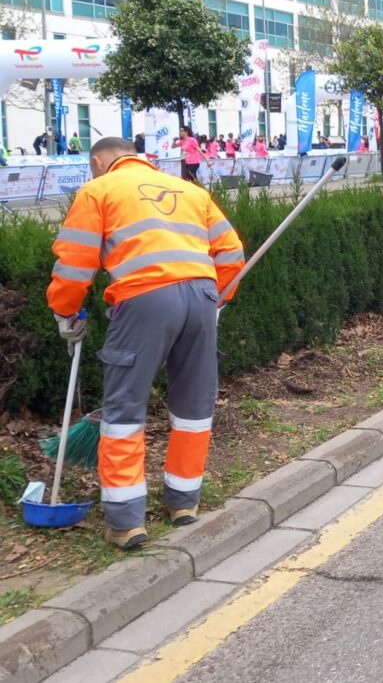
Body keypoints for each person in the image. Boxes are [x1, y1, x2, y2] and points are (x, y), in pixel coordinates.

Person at [46, 137, 245, 549]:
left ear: (99, 162)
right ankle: (184, 502)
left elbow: (75, 260)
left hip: (144, 299)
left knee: (124, 409)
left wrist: (65, 313)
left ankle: (125, 521)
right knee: (193, 407)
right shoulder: (192, 191)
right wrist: (218, 300)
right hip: (202, 296)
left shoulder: (98, 189)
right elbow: (231, 255)